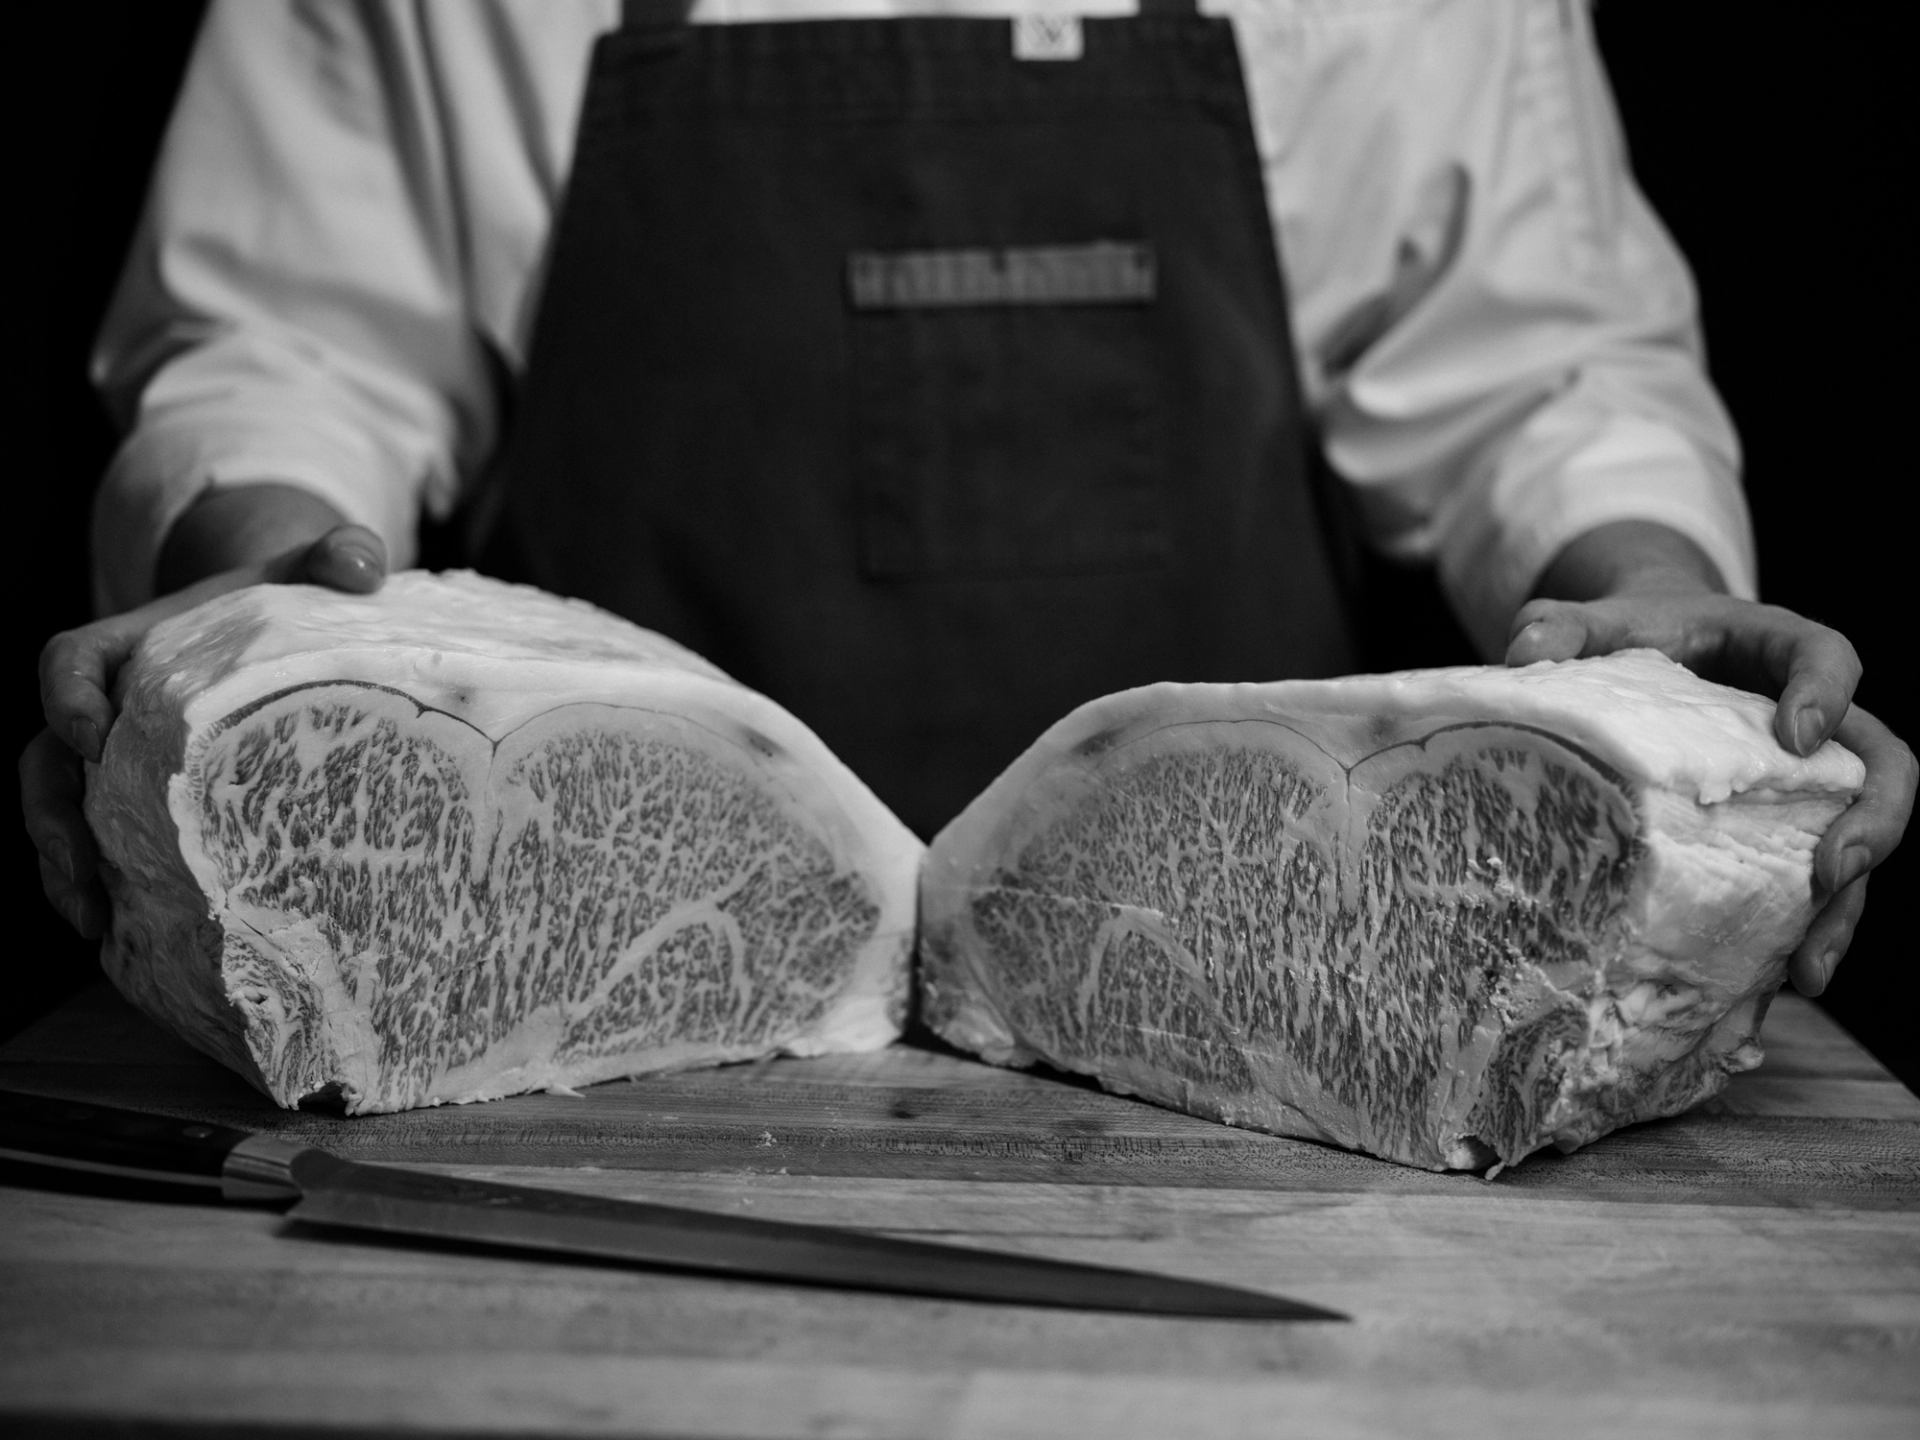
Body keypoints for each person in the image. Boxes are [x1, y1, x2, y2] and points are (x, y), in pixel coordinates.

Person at [24, 0, 1913, 999]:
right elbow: (293, 351)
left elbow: (1539, 377)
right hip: (578, 1003)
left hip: (1246, 1018)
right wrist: (250, 595)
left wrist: (1652, 601)